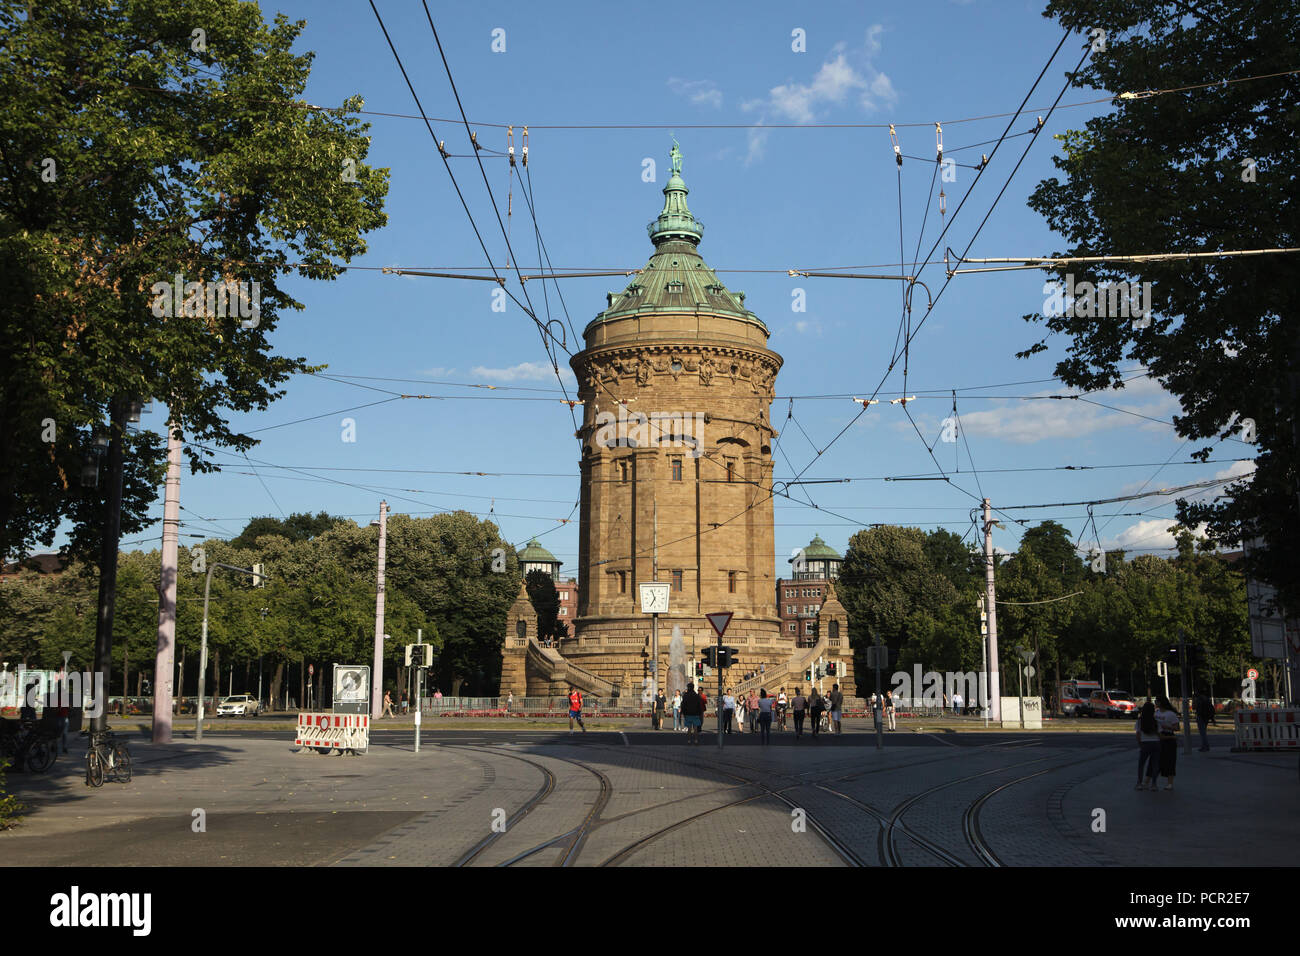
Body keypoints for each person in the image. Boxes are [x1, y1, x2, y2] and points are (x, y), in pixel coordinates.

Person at [1135, 700, 1162, 790]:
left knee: (1141, 764)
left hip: (1145, 743)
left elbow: (1138, 734)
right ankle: (1154, 784)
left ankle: (1139, 783)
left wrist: (1140, 744)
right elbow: (1159, 734)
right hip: (1155, 743)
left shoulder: (1140, 721)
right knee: (1155, 764)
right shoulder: (1156, 721)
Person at [1155, 695, 1179, 789]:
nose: (1155, 703)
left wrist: (1167, 727)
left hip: (1168, 737)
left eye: (1157, 701)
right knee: (1157, 761)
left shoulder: (1170, 714)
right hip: (1158, 736)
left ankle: (1170, 783)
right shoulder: (1156, 713)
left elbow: (1177, 728)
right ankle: (1152, 780)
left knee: (1170, 761)